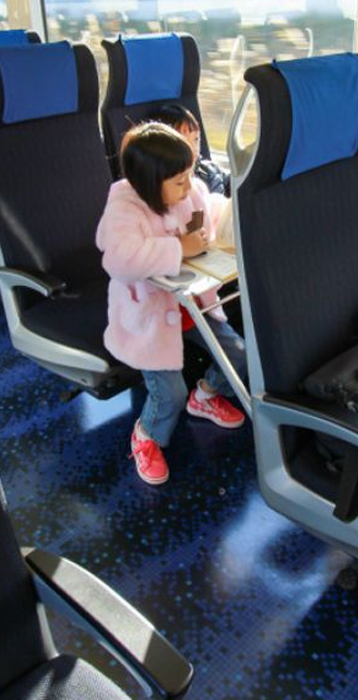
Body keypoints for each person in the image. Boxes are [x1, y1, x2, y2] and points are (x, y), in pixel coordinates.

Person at [96, 122, 247, 485]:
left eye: (189, 176)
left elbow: (207, 216)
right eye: (178, 180)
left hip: (193, 304)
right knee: (169, 395)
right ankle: (146, 435)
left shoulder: (188, 189)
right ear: (148, 183)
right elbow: (119, 258)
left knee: (238, 356)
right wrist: (179, 249)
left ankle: (206, 395)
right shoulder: (125, 208)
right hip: (148, 316)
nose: (188, 185)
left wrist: (225, 225)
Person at [145, 103, 230, 196]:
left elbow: (231, 184)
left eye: (196, 139)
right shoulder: (171, 187)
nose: (193, 148)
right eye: (184, 143)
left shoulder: (209, 169)